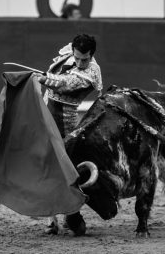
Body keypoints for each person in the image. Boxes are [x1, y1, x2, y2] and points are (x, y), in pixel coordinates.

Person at [33, 33, 102, 234]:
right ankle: (51, 219)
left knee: (66, 168)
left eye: (85, 59)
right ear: (73, 50)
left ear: (92, 55)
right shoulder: (68, 53)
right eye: (78, 57)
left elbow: (64, 83)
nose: (80, 62)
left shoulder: (92, 72)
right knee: (45, 164)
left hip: (65, 123)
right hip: (46, 113)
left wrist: (43, 78)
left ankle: (72, 214)